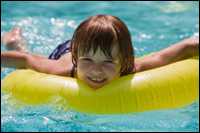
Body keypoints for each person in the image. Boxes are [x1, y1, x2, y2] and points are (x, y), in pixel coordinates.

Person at [1, 14, 199, 89]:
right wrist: (13, 52)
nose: (96, 70)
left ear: (124, 61)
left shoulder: (132, 68)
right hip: (66, 50)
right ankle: (14, 41)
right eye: (88, 61)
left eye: (108, 62)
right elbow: (26, 60)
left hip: (88, 48)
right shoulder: (61, 69)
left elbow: (179, 49)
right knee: (29, 56)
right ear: (77, 59)